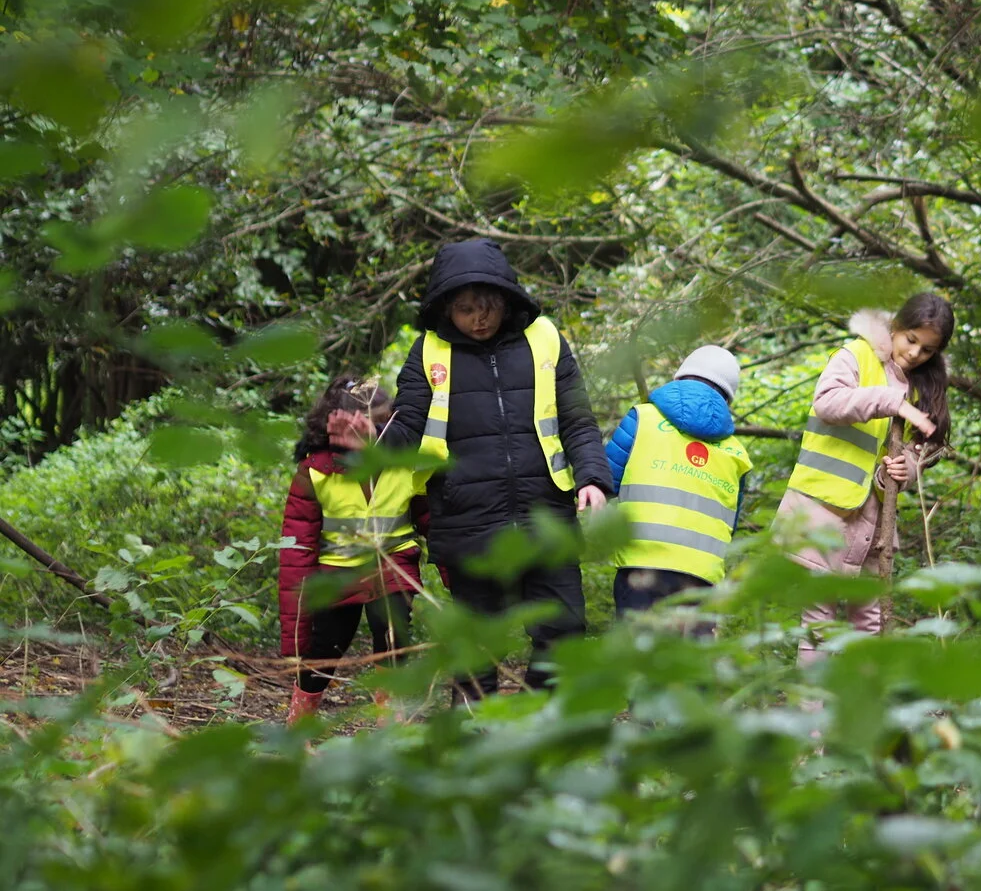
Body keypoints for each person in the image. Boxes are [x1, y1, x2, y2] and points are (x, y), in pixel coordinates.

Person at [383, 239, 611, 696]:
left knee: (563, 630)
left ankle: (542, 728)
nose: (479, 319)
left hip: (546, 514)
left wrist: (592, 479)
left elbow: (577, 419)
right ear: (446, 308)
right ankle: (471, 742)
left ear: (507, 301)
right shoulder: (428, 352)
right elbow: (405, 424)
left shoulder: (544, 339)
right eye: (466, 309)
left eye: (487, 307)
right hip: (467, 518)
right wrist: (369, 441)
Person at [777, 293, 954, 663]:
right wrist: (890, 400)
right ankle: (811, 720)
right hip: (821, 511)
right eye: (910, 340)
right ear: (896, 326)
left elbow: (920, 448)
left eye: (927, 350)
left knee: (869, 623)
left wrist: (905, 469)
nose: (914, 354)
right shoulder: (855, 356)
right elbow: (827, 402)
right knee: (819, 621)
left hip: (873, 522)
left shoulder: (923, 386)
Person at [280, 376, 427, 723]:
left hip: (394, 569)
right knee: (325, 649)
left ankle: (389, 726)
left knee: (392, 637)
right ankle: (299, 724)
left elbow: (433, 518)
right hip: (337, 576)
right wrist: (294, 633)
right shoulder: (315, 472)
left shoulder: (408, 463)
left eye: (375, 425)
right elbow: (296, 550)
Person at [606, 345, 753, 624]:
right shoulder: (737, 454)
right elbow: (730, 524)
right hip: (700, 575)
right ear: (728, 396)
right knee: (686, 660)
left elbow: (605, 480)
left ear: (680, 377)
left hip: (641, 565)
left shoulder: (644, 419)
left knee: (634, 655)